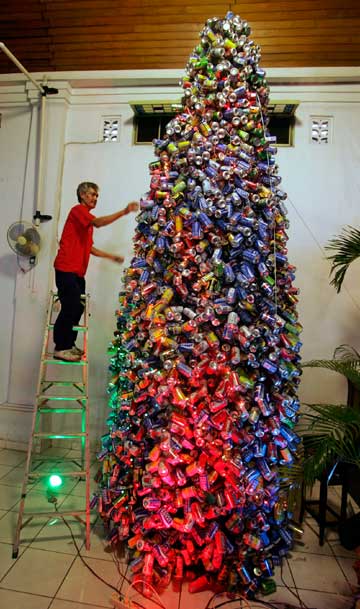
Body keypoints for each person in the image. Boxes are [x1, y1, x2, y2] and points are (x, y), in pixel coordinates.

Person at [53, 181, 138, 361]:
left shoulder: (86, 223)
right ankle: (60, 347)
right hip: (65, 268)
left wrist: (110, 256)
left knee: (79, 307)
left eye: (97, 195)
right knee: (71, 306)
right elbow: (99, 223)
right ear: (82, 195)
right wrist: (124, 211)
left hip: (77, 273)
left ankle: (69, 344)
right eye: (92, 194)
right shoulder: (78, 211)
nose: (95, 198)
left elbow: (89, 248)